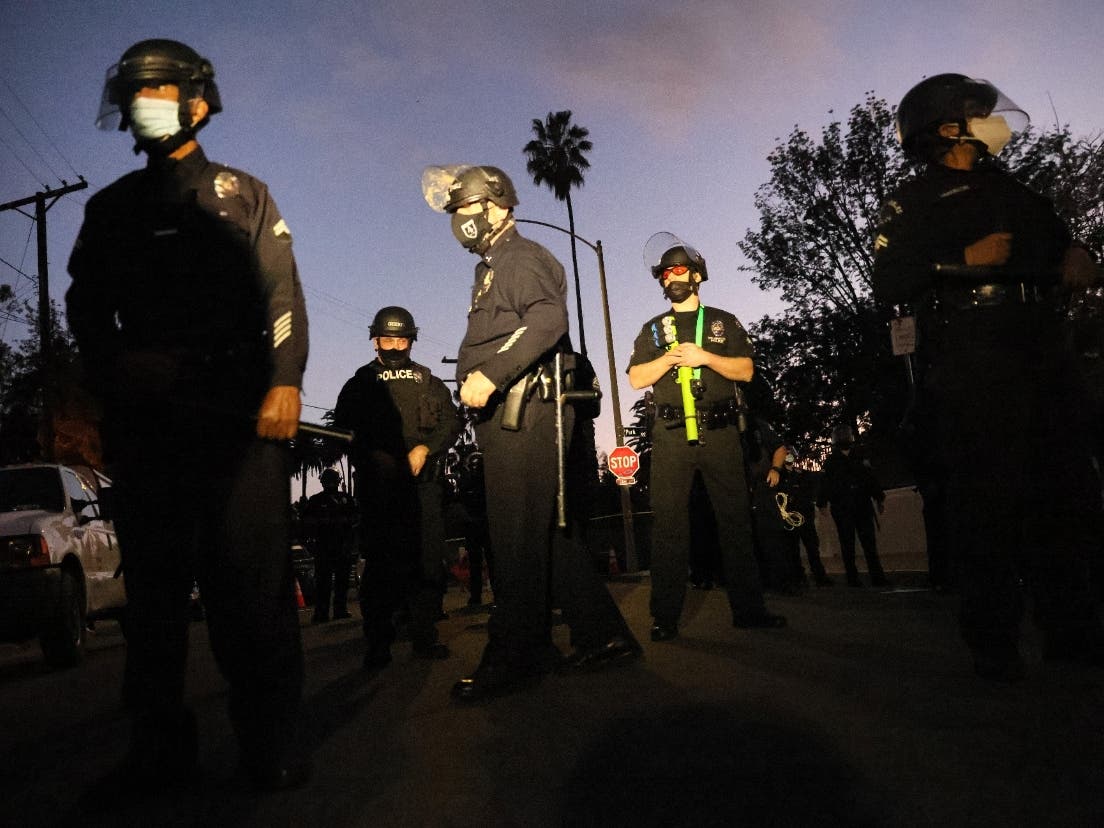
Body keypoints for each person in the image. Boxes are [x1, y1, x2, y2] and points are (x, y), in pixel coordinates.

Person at [65, 39, 309, 792]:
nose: (145, 105)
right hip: (149, 432)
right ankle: (158, 747)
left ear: (197, 101)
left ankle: (270, 741)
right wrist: (116, 369)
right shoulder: (109, 209)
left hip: (239, 427)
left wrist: (286, 381)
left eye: (158, 90)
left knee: (252, 590)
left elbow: (282, 296)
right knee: (157, 599)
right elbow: (83, 308)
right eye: (135, 94)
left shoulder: (243, 193)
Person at [873, 73, 1104, 680]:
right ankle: (993, 642)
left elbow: (1065, 248)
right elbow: (890, 281)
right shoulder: (914, 200)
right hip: (972, 350)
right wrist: (958, 263)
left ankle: (1073, 631)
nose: (989, 118)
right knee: (987, 498)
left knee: (1065, 489)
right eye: (976, 112)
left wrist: (1080, 255)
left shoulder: (1021, 192)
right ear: (946, 127)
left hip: (1042, 345)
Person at [422, 164, 639, 702]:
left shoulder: (520, 257)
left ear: (493, 204)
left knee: (514, 537)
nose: (459, 222)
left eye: (464, 209)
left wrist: (489, 374)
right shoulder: (494, 266)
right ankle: (604, 636)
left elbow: (548, 320)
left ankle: (513, 657)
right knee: (544, 536)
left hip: (527, 410)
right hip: (516, 413)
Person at [627, 233, 785, 641]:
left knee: (735, 522)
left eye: (679, 269)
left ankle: (750, 610)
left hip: (719, 432)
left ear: (696, 275)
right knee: (668, 528)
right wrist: (667, 358)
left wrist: (704, 357)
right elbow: (635, 378)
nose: (671, 278)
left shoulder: (722, 320)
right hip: (671, 435)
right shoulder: (653, 329)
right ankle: (664, 618)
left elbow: (746, 371)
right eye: (664, 273)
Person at [332, 306, 460, 668]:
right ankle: (378, 644)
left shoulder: (428, 381)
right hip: (381, 490)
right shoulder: (360, 383)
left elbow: (450, 423)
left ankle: (424, 636)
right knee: (381, 566)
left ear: (411, 341)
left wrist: (425, 448)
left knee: (428, 564)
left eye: (401, 339)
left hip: (424, 488)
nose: (394, 345)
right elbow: (343, 431)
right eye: (388, 339)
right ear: (375, 341)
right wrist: (378, 457)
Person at [816, 426, 889, 588]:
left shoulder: (859, 456)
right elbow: (825, 484)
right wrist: (822, 503)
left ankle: (877, 576)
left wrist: (879, 498)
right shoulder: (831, 461)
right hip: (843, 509)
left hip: (862, 505)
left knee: (869, 544)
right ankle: (852, 578)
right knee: (847, 544)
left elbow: (870, 479)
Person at [301, 467, 358, 624]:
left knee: (335, 582)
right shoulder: (318, 501)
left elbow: (354, 523)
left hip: (336, 547)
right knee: (328, 582)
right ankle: (327, 612)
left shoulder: (342, 499)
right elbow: (307, 525)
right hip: (327, 548)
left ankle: (330, 611)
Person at [780, 450, 832, 586]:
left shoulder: (803, 474)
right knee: (793, 550)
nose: (789, 456)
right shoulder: (780, 477)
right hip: (790, 518)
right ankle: (799, 577)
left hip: (805, 517)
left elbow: (812, 491)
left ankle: (819, 576)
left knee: (813, 548)